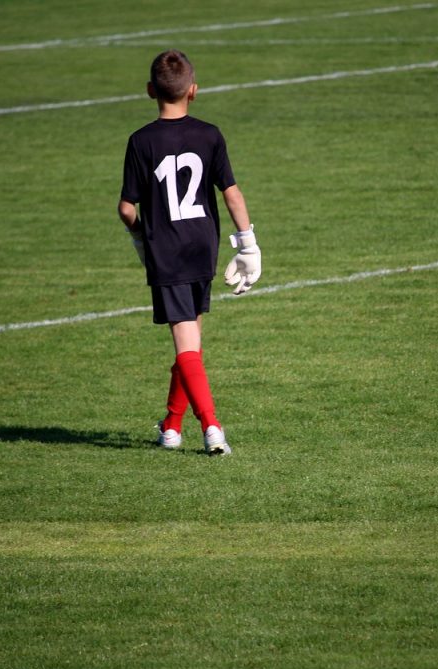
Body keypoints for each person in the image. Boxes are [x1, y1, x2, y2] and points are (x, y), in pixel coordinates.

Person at [118, 49, 261, 456]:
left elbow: (126, 208)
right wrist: (248, 243)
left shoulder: (140, 141)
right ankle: (171, 425)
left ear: (150, 91)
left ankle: (212, 427)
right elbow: (230, 192)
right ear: (193, 91)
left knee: (186, 347)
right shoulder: (210, 134)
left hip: (169, 252)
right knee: (191, 343)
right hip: (203, 247)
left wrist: (141, 240)